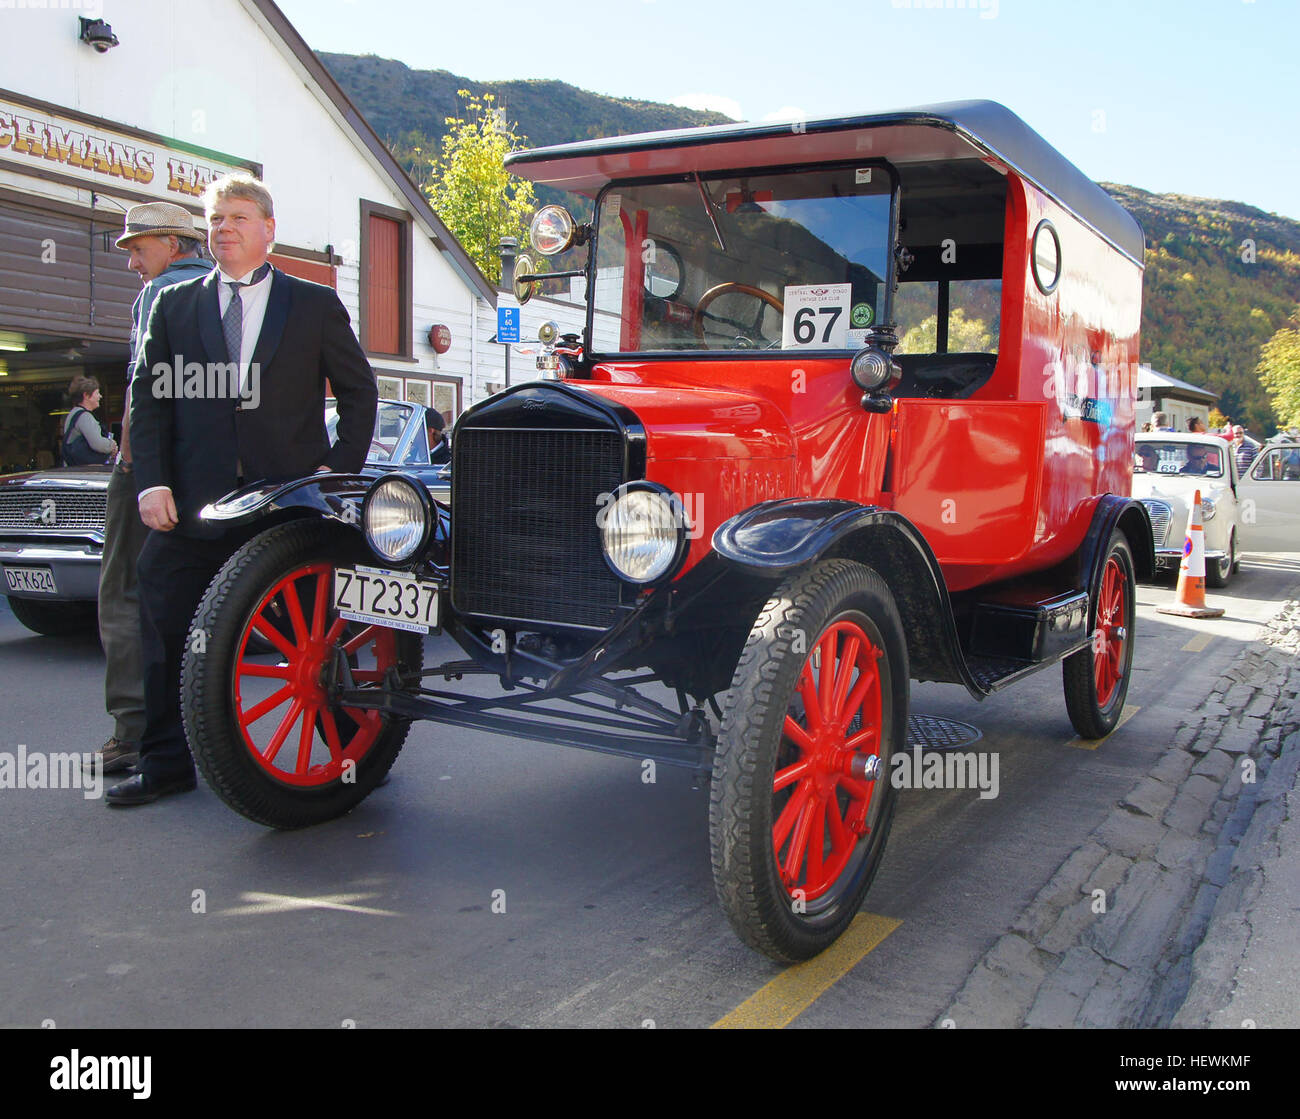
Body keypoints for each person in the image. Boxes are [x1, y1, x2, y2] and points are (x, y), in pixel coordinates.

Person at [106, 173, 377, 807]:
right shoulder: (174, 306)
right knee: (162, 616)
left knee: (322, 639)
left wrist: (335, 472)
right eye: (216, 218)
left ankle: (350, 752)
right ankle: (164, 761)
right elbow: (148, 403)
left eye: (238, 217)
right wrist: (152, 484)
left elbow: (359, 394)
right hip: (194, 506)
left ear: (267, 229)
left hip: (287, 506)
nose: (224, 227)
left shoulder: (313, 304)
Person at [94, 203, 212, 777]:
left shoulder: (159, 295)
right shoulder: (223, 293)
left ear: (171, 243)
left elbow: (147, 387)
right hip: (208, 466)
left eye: (138, 249)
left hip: (152, 467)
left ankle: (135, 729)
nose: (133, 263)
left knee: (124, 590)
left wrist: (132, 464)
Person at [61, 375, 116, 465]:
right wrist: (112, 444)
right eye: (97, 393)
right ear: (86, 395)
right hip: (85, 469)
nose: (100, 396)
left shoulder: (73, 413)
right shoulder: (85, 417)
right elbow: (97, 444)